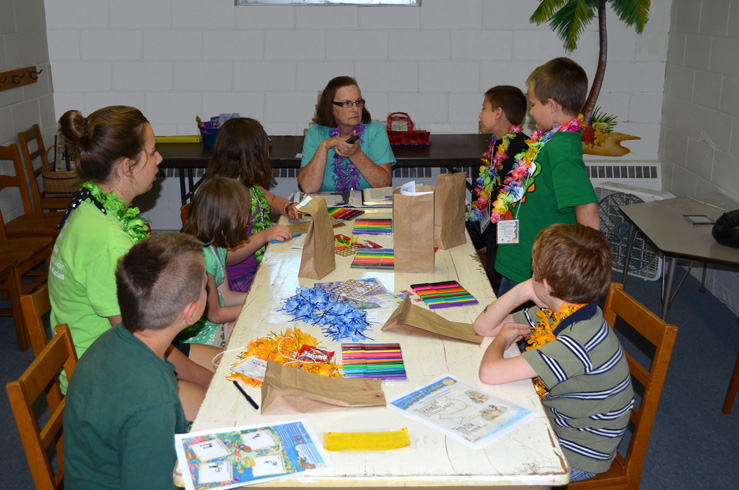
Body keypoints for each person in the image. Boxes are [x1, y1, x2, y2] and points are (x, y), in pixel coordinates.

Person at [49, 106, 216, 418]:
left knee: (229, 362)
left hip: (117, 347)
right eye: (152, 152)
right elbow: (141, 345)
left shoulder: (91, 206)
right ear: (127, 166)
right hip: (107, 376)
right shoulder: (108, 242)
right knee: (223, 402)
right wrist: (210, 381)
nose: (159, 159)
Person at [473, 223, 634, 482]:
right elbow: (483, 327)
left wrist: (503, 339)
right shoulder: (563, 310)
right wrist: (525, 289)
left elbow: (490, 372)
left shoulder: (578, 341)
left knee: (493, 469)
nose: (530, 274)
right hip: (559, 421)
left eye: (533, 271)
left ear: (546, 285)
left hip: (578, 452)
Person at [64, 233, 207, 490]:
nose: (206, 285)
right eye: (204, 285)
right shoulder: (155, 400)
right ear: (191, 312)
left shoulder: (112, 339)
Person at [491, 58, 600, 297]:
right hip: (521, 256)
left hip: (537, 269)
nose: (530, 111)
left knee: (517, 328)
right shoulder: (547, 139)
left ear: (551, 105)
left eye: (532, 104)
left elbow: (587, 206)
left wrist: (591, 266)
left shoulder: (562, 148)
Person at [205, 117, 295, 292]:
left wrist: (288, 206)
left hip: (257, 267)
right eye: (265, 146)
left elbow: (272, 201)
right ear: (252, 154)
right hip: (238, 279)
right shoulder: (228, 196)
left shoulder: (248, 185)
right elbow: (224, 256)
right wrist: (264, 236)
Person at [466, 85, 529, 294]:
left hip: (508, 233)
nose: (480, 114)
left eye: (484, 109)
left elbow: (514, 211)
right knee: (459, 238)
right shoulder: (496, 144)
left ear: (498, 112)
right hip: (489, 226)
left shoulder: (522, 151)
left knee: (496, 279)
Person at [180, 177, 253, 347]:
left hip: (214, 322)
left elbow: (225, 296)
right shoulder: (203, 258)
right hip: (201, 335)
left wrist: (258, 298)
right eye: (244, 214)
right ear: (229, 218)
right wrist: (255, 307)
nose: (247, 219)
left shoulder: (217, 246)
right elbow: (216, 314)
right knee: (256, 328)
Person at [298, 76, 396, 193]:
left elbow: (384, 184)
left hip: (367, 207)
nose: (355, 109)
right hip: (326, 207)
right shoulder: (315, 133)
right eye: (347, 103)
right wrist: (324, 146)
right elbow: (308, 187)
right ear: (330, 107)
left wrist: (356, 154)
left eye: (358, 102)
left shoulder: (375, 130)